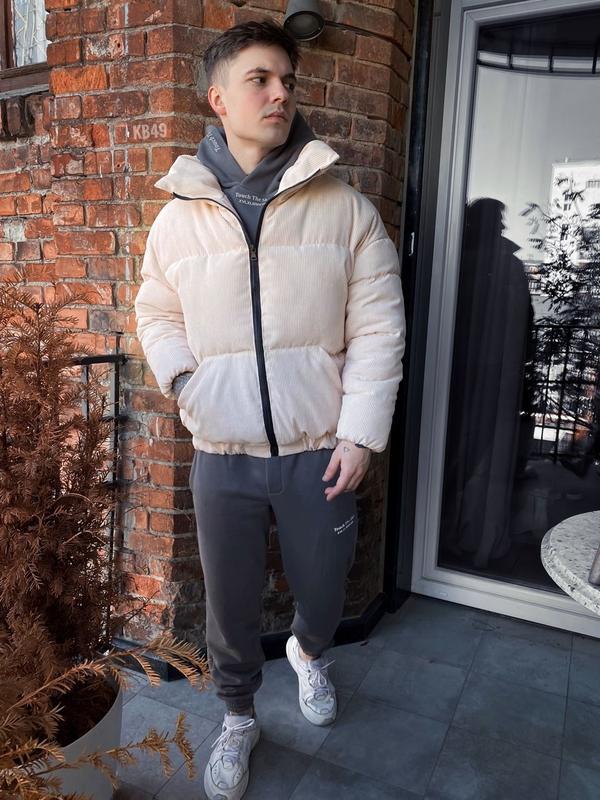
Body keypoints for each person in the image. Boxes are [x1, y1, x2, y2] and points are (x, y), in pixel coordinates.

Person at [134, 19, 405, 800]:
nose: (281, 92)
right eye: (260, 78)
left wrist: (359, 435)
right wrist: (186, 381)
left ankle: (310, 653)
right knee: (229, 604)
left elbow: (379, 327)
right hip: (221, 454)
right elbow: (156, 311)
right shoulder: (178, 219)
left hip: (319, 448)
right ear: (218, 98)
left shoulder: (345, 209)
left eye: (287, 78)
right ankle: (238, 716)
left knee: (324, 588)